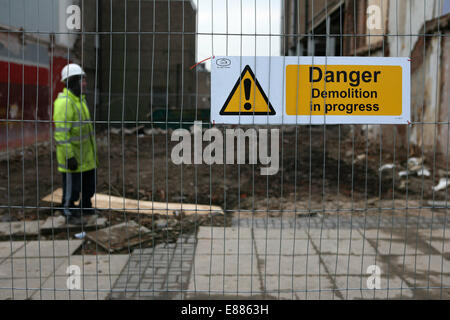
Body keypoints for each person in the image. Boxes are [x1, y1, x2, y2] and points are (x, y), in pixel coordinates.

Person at [53, 63, 98, 225]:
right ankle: (68, 212)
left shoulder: (80, 101)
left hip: (86, 157)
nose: (85, 83)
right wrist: (69, 157)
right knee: (71, 191)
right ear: (71, 82)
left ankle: (86, 207)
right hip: (74, 159)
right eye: (81, 80)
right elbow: (61, 135)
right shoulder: (65, 103)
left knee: (88, 187)